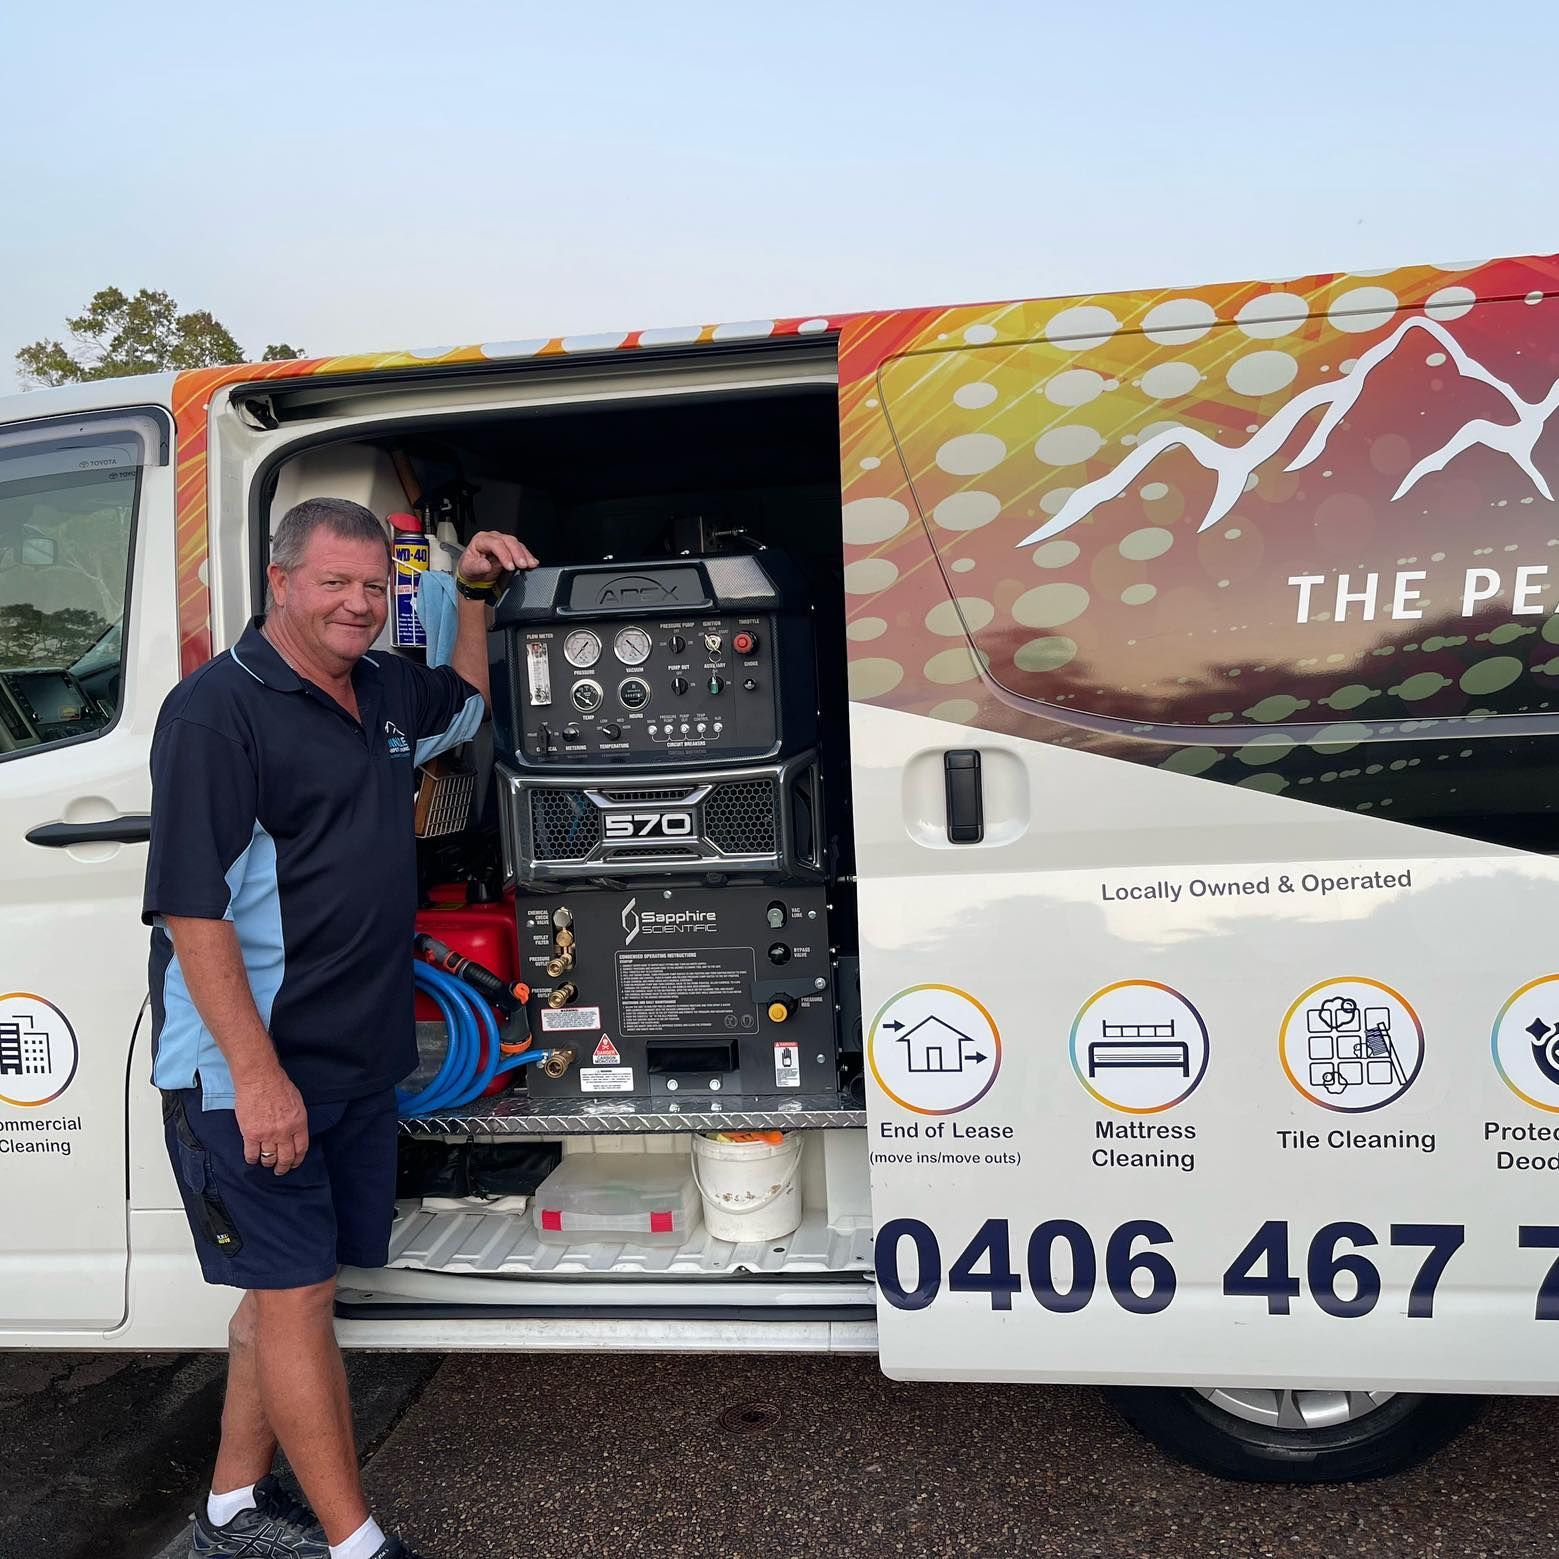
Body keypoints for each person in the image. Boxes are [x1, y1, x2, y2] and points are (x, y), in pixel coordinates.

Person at [143, 497, 537, 1559]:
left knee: (279, 1298)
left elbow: (456, 706)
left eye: (374, 587)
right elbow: (193, 909)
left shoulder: (380, 691)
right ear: (281, 580)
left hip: (355, 1058)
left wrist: (472, 601)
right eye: (334, 583)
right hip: (252, 1069)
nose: (357, 604)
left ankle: (231, 1505)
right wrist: (256, 1074)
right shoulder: (215, 713)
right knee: (298, 1293)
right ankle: (353, 1540)